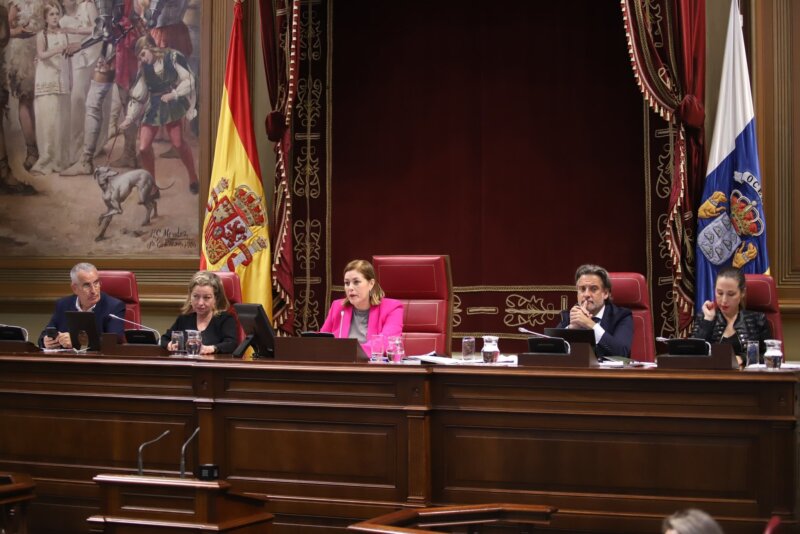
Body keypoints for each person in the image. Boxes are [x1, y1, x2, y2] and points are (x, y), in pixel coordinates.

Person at [119, 33, 198, 193]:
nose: (142, 59)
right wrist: (129, 117)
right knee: (143, 147)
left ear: (151, 48)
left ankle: (193, 177)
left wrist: (174, 94)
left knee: (178, 144)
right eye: (139, 57)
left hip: (172, 102)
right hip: (154, 105)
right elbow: (139, 94)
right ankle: (152, 186)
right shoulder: (144, 68)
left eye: (143, 54)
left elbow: (189, 79)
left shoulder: (172, 57)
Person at [30, 0, 79, 175]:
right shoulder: (41, 35)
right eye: (51, 14)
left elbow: (69, 56)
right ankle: (47, 158)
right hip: (46, 81)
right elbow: (41, 54)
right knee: (48, 121)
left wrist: (71, 77)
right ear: (45, 17)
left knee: (62, 121)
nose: (55, 17)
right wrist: (58, 49)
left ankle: (61, 159)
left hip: (62, 80)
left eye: (57, 14)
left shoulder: (64, 33)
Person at [320, 259, 403, 354]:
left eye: (356, 282)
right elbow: (322, 340)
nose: (350, 288)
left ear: (371, 284)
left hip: (373, 366)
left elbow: (386, 341)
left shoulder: (392, 308)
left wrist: (348, 353)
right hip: (341, 365)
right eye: (347, 283)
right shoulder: (337, 307)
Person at [691, 266, 771, 364]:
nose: (724, 300)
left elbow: (770, 356)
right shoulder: (704, 317)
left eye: (731, 294)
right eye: (719, 293)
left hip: (746, 377)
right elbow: (693, 355)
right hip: (712, 376)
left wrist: (742, 359)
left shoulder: (757, 319)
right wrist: (708, 320)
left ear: (742, 293)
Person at [40, 262, 125, 349]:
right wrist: (46, 341)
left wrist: (78, 341)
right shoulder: (63, 304)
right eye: (87, 285)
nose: (93, 291)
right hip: (67, 360)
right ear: (75, 288)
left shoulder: (113, 306)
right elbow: (47, 333)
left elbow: (115, 341)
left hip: (98, 361)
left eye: (96, 283)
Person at [557, 263, 633, 357]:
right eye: (582, 289)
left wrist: (590, 325)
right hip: (576, 371)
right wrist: (571, 328)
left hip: (607, 372)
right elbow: (550, 351)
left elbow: (622, 352)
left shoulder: (621, 316)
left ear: (605, 293)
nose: (586, 294)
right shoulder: (569, 316)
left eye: (593, 289)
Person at [160, 271, 238, 355]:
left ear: (216, 299)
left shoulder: (225, 319)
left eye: (206, 297)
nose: (200, 303)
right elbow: (164, 339)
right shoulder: (184, 319)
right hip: (185, 366)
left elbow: (231, 344)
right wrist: (169, 344)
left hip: (212, 366)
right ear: (190, 296)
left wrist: (212, 348)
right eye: (196, 296)